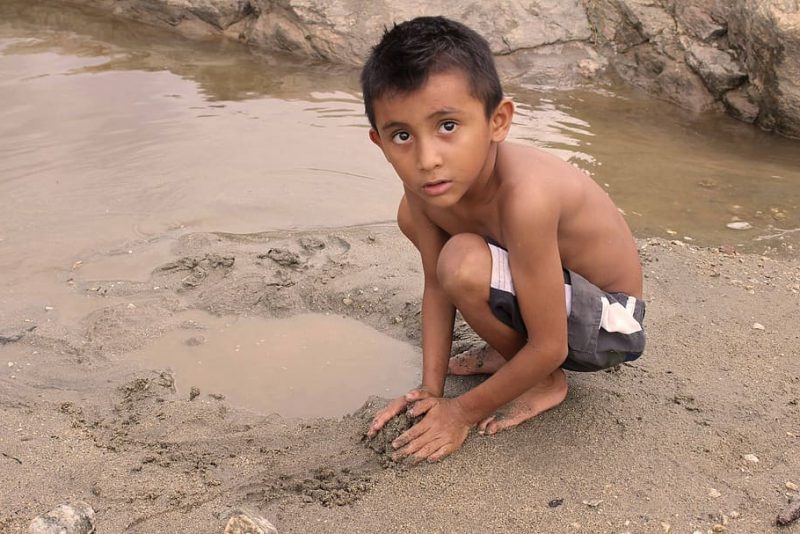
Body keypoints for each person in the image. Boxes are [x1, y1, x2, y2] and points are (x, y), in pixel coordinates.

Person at [362, 16, 646, 463]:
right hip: (554, 296)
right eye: (402, 136)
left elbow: (550, 343)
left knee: (463, 262)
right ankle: (516, 356)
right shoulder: (424, 186)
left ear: (498, 121)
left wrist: (459, 413)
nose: (427, 158)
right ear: (379, 142)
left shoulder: (525, 198)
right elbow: (436, 287)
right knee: (425, 233)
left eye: (448, 126)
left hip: (610, 324)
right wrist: (429, 391)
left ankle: (545, 380)